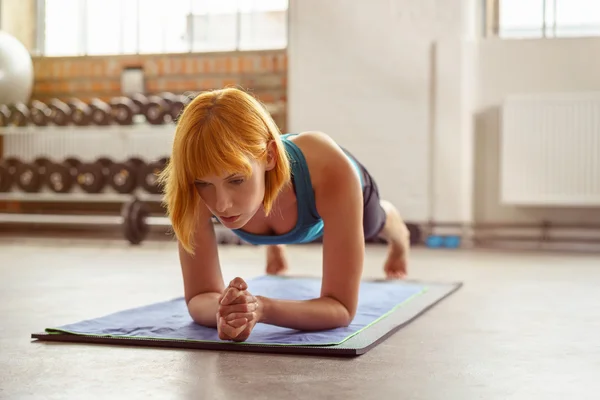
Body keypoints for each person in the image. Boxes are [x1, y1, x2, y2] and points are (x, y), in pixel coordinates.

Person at [158, 87, 411, 342]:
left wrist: (262, 308)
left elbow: (341, 308)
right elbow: (199, 296)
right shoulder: (193, 182)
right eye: (204, 184)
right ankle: (275, 243)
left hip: (344, 192)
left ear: (269, 156)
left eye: (236, 180)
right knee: (248, 201)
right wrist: (229, 312)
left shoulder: (331, 171)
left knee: (375, 224)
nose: (221, 205)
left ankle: (399, 233)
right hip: (274, 194)